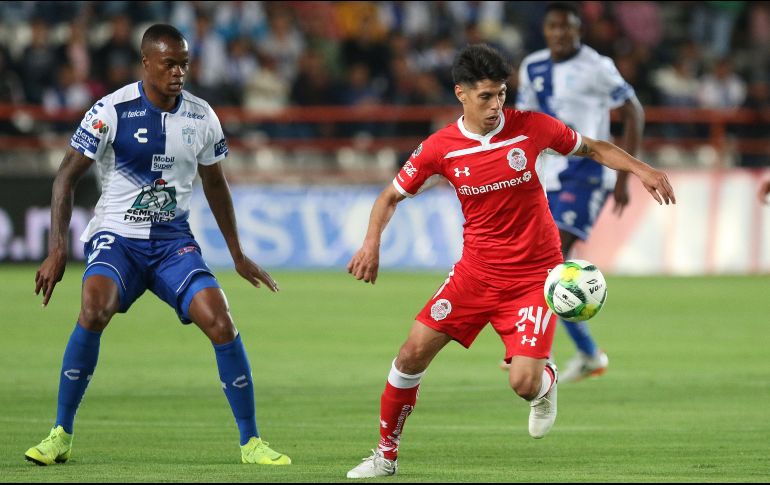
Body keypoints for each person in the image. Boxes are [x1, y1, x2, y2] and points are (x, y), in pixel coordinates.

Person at [345, 43, 675, 479]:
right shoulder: (440, 148)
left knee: (522, 384)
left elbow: (593, 148)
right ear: (461, 93)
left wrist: (642, 169)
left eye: (501, 94)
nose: (496, 105)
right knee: (410, 355)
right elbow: (390, 196)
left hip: (535, 278)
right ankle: (385, 456)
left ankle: (544, 382)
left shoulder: (530, 128)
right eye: (485, 96)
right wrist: (371, 244)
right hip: (475, 275)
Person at [25, 24, 290, 467]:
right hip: (118, 240)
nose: (178, 72)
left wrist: (237, 254)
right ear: (146, 63)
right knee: (93, 309)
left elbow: (215, 185)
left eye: (184, 64)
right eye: (169, 64)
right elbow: (64, 178)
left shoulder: (202, 116)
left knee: (220, 320)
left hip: (172, 244)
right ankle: (60, 434)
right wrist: (56, 250)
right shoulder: (110, 111)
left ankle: (251, 443)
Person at [512, 1, 645, 383]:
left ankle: (538, 351)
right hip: (548, 175)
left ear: (578, 31)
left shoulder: (597, 66)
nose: (559, 33)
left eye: (567, 27)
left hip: (588, 173)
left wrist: (623, 176)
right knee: (546, 264)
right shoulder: (532, 66)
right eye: (553, 27)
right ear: (545, 31)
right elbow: (523, 124)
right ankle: (587, 354)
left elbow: (633, 111)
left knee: (551, 259)